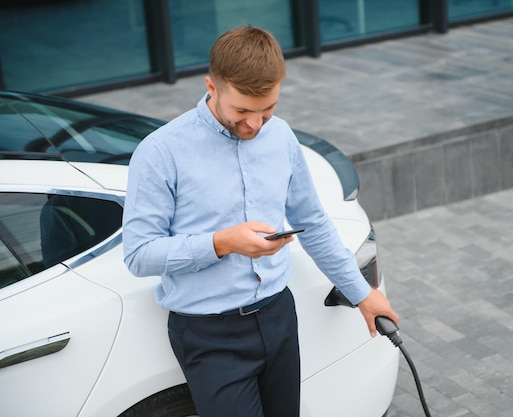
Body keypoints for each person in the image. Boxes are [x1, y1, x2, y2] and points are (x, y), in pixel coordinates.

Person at [122, 25, 399, 417]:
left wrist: (362, 293)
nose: (254, 124)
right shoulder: (160, 153)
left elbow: (314, 224)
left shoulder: (282, 137)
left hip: (278, 317)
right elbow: (138, 255)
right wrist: (223, 242)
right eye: (242, 111)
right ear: (211, 86)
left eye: (267, 110)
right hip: (208, 334)